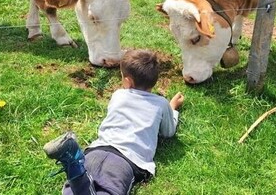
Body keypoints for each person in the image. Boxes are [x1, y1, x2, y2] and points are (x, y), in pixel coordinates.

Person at [44, 49, 184, 195]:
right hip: (125, 161)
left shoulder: (118, 95)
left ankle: (76, 167)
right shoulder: (161, 104)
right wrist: (172, 108)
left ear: (127, 81)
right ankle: (75, 169)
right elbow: (168, 132)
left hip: (95, 152)